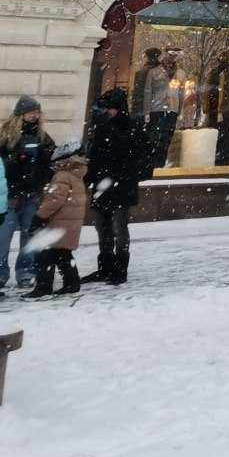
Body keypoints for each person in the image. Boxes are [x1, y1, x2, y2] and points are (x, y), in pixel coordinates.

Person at [83, 88, 146, 286]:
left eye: (110, 108)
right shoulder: (102, 126)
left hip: (121, 185)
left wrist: (105, 130)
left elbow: (126, 146)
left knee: (119, 228)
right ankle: (105, 267)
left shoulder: (132, 125)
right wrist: (87, 180)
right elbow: (95, 155)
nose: (107, 112)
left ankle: (120, 270)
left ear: (119, 108)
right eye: (105, 108)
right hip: (103, 184)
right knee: (102, 228)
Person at [0, 95, 55, 294]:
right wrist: (16, 160)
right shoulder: (6, 135)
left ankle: (26, 272)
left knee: (29, 235)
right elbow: (2, 165)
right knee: (3, 237)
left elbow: (52, 162)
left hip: (33, 193)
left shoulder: (42, 136)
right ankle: (0, 273)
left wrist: (42, 165)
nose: (34, 116)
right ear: (20, 114)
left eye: (37, 112)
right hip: (11, 194)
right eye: (31, 112)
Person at [24, 138, 88, 300]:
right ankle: (72, 284)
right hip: (70, 222)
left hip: (58, 222)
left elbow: (54, 200)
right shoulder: (77, 174)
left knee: (45, 256)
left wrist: (39, 217)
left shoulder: (62, 175)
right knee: (63, 254)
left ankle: (43, 288)